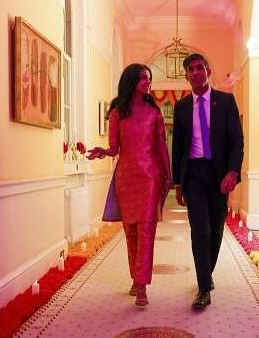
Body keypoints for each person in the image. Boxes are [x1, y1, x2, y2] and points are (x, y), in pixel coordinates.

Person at [87, 63, 172, 308]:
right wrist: (103, 151)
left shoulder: (154, 113)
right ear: (131, 81)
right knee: (131, 232)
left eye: (149, 78)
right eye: (143, 78)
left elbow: (160, 148)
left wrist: (168, 176)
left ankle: (143, 284)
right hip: (126, 178)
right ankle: (136, 278)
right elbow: (115, 148)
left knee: (146, 231)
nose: (148, 82)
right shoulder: (117, 113)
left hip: (149, 178)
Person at [172, 53, 244, 310]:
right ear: (186, 76)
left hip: (219, 176)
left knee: (215, 230)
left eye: (199, 68)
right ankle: (203, 287)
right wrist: (178, 184)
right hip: (193, 174)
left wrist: (233, 172)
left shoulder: (225, 102)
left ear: (208, 70)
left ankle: (207, 274)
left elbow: (237, 140)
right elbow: (178, 146)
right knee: (199, 231)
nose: (195, 73)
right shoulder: (181, 107)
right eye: (190, 70)